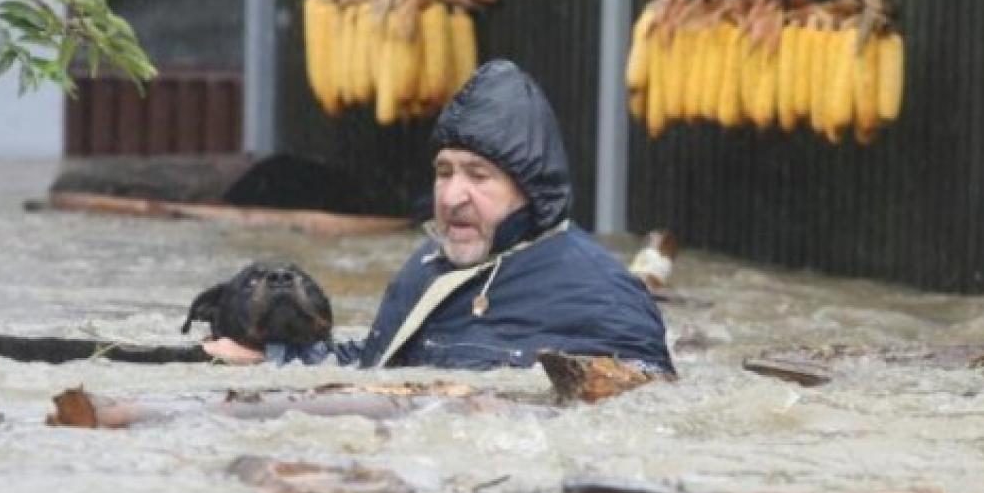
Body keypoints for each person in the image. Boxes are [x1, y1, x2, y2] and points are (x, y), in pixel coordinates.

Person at [205, 59, 674, 373]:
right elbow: (376, 362)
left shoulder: (603, 296)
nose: (452, 197)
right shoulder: (428, 268)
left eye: (478, 175)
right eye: (444, 172)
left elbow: (648, 408)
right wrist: (274, 358)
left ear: (529, 190)